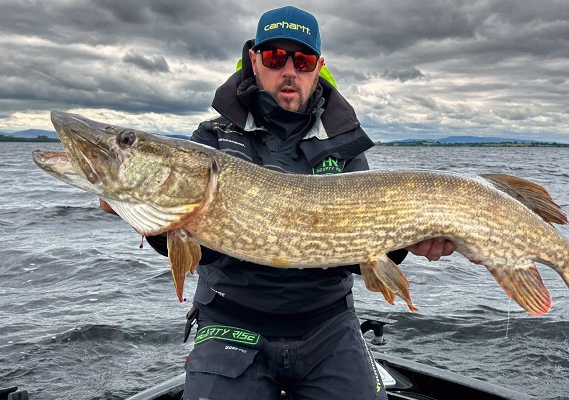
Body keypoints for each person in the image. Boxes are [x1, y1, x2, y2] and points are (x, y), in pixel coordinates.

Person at [101, 5, 455, 400]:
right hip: (231, 321)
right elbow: (197, 250)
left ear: (317, 66)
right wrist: (153, 220)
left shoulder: (345, 143)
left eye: (301, 59)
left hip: (328, 326)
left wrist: (406, 242)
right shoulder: (212, 140)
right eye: (275, 57)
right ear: (254, 60)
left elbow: (361, 253)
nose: (289, 69)